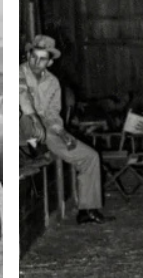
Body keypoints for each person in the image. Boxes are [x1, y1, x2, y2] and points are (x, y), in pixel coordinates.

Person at [20, 34, 110, 225]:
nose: (36, 62)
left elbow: (53, 113)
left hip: (46, 129)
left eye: (42, 58)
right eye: (33, 56)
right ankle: (29, 151)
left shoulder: (52, 82)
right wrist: (35, 119)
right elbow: (23, 98)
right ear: (28, 55)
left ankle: (87, 209)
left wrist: (62, 133)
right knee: (28, 124)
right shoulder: (19, 74)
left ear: (50, 62)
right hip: (21, 123)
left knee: (90, 156)